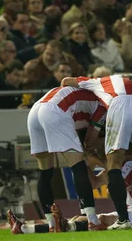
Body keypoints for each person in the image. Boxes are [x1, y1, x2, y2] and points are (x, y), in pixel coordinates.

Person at [61, 74, 132, 230]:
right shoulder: (127, 82)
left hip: (120, 103)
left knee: (114, 163)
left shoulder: (96, 83)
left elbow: (65, 82)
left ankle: (123, 220)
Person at [25, 84, 106, 232]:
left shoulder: (86, 98)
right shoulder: (103, 103)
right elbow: (90, 141)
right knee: (77, 164)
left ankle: (51, 223)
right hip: (55, 110)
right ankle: (92, 220)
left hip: (35, 111)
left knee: (45, 171)